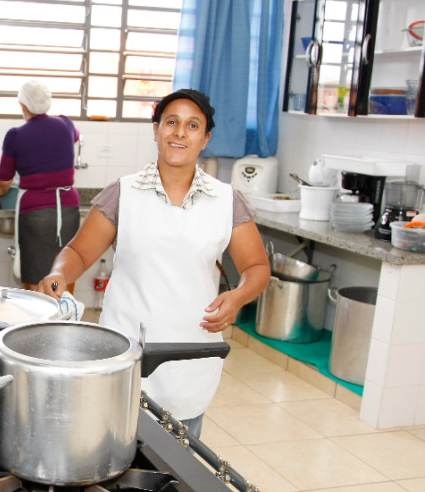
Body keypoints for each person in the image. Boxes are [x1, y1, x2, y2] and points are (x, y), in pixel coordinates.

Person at [38, 89, 270, 438]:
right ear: (156, 130)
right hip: (126, 350)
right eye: (171, 122)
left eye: (192, 125)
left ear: (205, 138)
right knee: (112, 453)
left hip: (191, 351)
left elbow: (257, 267)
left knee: (177, 467)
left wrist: (237, 298)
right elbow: (80, 253)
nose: (179, 133)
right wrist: (59, 273)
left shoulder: (226, 201)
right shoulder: (124, 193)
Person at [0, 80, 81, 291]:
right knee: (65, 272)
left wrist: (0, 194)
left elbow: (5, 180)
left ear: (22, 105)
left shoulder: (16, 135)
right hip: (69, 208)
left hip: (35, 214)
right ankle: (65, 320)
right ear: (48, 104)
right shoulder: (66, 124)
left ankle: (37, 323)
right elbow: (75, 136)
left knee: (35, 278)